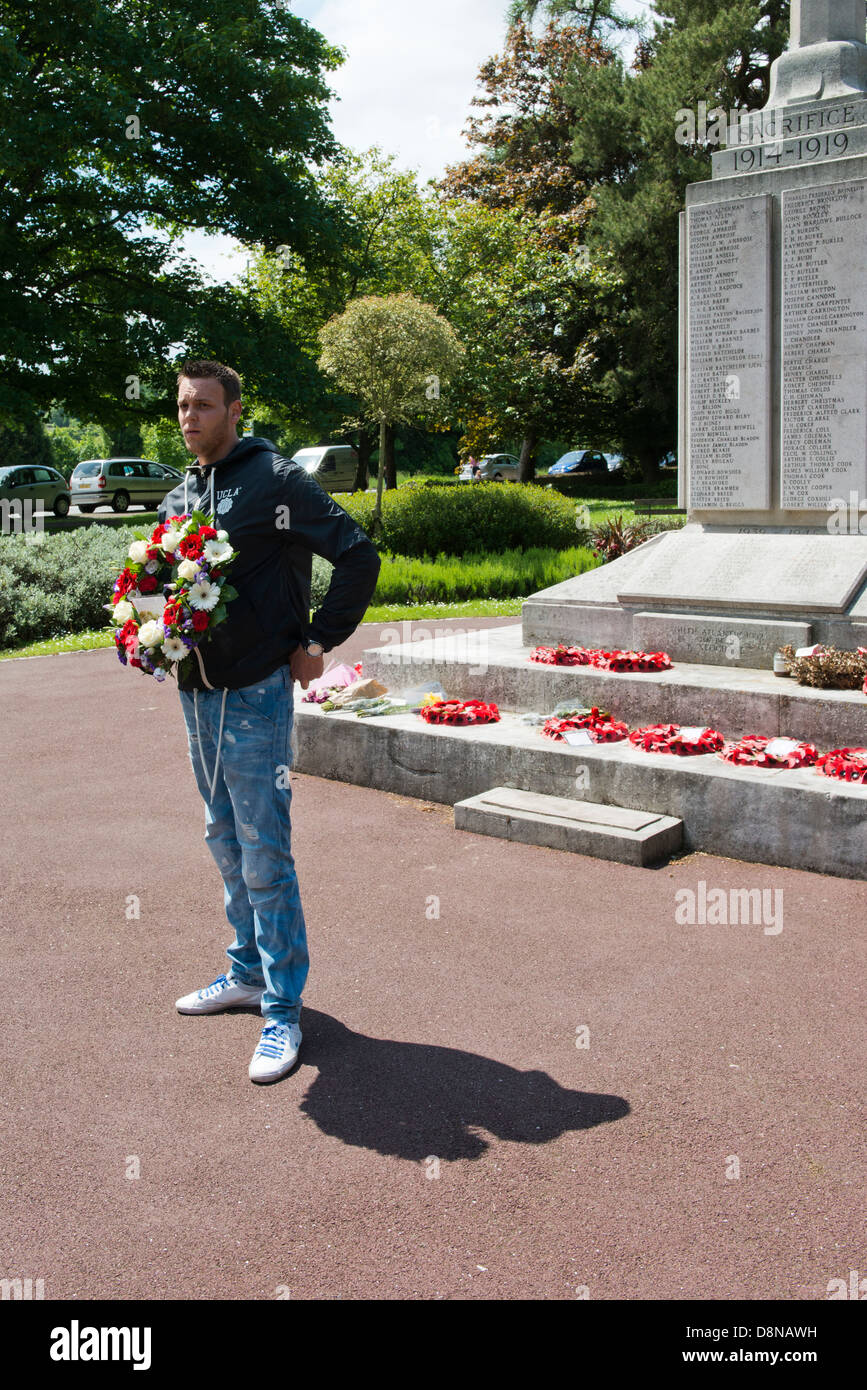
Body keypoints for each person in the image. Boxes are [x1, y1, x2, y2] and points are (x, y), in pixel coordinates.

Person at [163, 361, 380, 1082]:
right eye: (183, 405)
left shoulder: (277, 481)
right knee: (222, 837)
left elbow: (356, 555)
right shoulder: (182, 491)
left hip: (256, 692)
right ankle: (247, 973)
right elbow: (167, 586)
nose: (190, 418)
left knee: (263, 851)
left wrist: (317, 640)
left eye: (204, 405)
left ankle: (283, 1011)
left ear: (235, 409)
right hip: (196, 689)